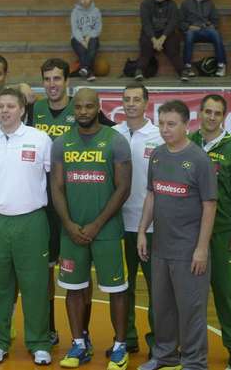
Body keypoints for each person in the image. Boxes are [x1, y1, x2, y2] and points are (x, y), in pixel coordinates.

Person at [50, 88, 131, 370]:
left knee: (116, 289)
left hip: (107, 231)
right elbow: (56, 187)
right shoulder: (61, 143)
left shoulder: (115, 141)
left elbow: (123, 188)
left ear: (98, 107)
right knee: (74, 289)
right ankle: (79, 344)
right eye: (79, 107)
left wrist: (96, 224)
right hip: (71, 232)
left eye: (89, 106)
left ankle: (120, 346)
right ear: (74, 109)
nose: (83, 111)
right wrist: (69, 224)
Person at [137, 100, 217, 370]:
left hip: (188, 251)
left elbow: (209, 205)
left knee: (191, 310)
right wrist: (141, 232)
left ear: (186, 125)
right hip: (160, 247)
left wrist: (202, 249)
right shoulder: (157, 155)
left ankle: (194, 362)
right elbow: (151, 194)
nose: (165, 129)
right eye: (161, 123)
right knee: (162, 308)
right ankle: (165, 356)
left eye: (171, 124)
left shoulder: (199, 160)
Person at [0, 88, 53, 365]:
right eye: (0, 106)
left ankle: (39, 342)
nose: (4, 111)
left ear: (22, 110)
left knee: (35, 285)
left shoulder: (40, 139)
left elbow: (53, 178)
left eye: (10, 106)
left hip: (32, 221)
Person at [189, 95, 231, 370]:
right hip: (190, 232)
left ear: (223, 117)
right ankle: (190, 348)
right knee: (191, 294)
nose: (211, 117)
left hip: (223, 233)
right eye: (207, 112)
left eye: (217, 113)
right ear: (200, 113)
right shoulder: (189, 142)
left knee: (228, 293)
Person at [112, 84, 163, 356]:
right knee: (123, 287)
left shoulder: (159, 135)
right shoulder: (112, 134)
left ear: (146, 103)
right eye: (126, 99)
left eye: (136, 99)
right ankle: (126, 338)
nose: (131, 104)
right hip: (118, 225)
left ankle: (159, 343)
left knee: (158, 290)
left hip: (153, 226)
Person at [136, 0, 187, 81]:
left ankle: (182, 71)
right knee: (146, 47)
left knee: (173, 47)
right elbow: (146, 24)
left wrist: (162, 39)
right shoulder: (146, 4)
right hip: (151, 33)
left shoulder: (172, 4)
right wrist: (154, 40)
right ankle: (139, 70)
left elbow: (173, 22)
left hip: (166, 33)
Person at [180, 0, 227, 77]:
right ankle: (187, 67)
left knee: (215, 33)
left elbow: (215, 19)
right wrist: (189, 27)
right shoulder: (186, 3)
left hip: (206, 30)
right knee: (188, 35)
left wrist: (212, 26)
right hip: (193, 30)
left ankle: (221, 65)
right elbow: (180, 21)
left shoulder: (210, 3)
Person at [70, 0, 102, 81]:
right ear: (79, 0)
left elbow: (98, 28)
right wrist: (82, 40)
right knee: (83, 52)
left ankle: (84, 69)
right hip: (77, 38)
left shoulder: (96, 11)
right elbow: (75, 29)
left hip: (92, 37)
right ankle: (89, 72)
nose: (85, 0)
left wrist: (88, 37)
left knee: (92, 48)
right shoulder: (75, 12)